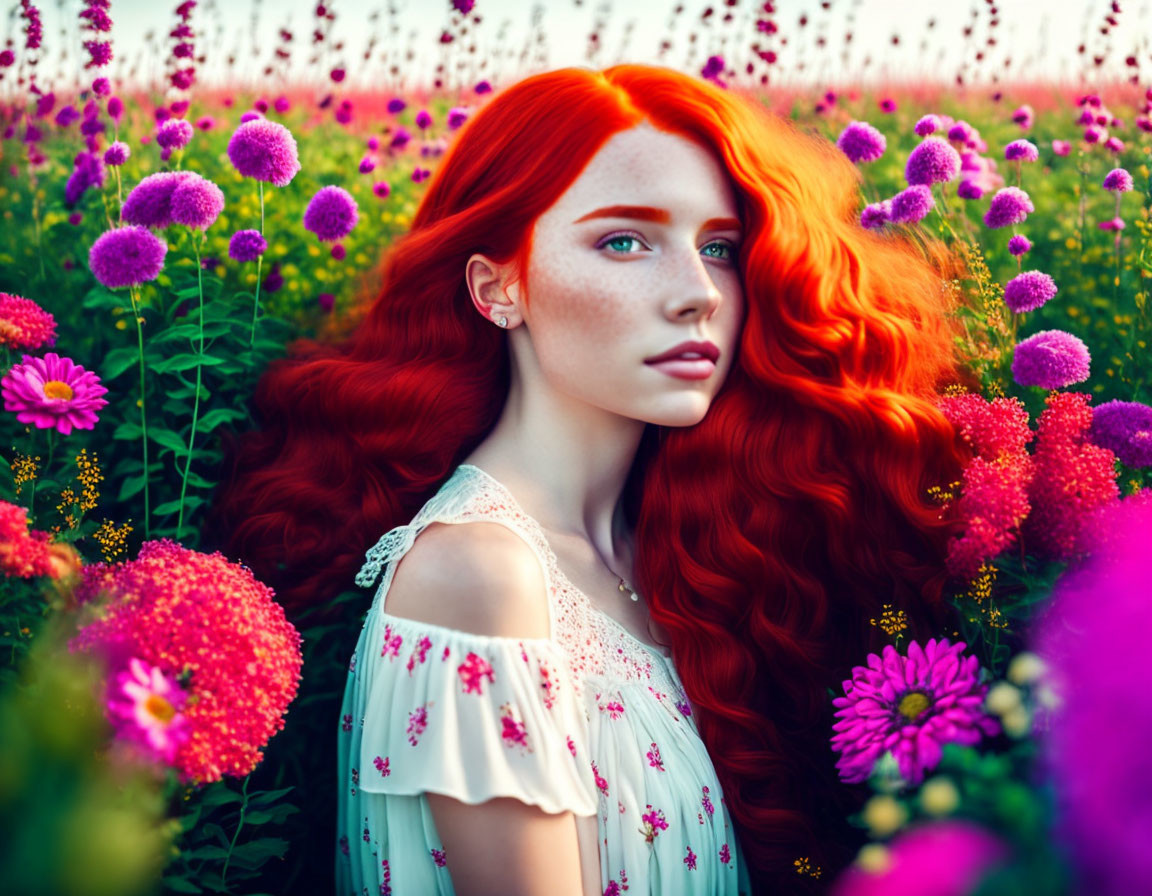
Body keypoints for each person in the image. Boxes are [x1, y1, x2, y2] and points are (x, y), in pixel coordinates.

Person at [210, 64, 970, 895]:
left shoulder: (663, 550)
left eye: (718, 248)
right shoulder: (480, 577)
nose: (697, 295)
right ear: (498, 287)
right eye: (624, 241)